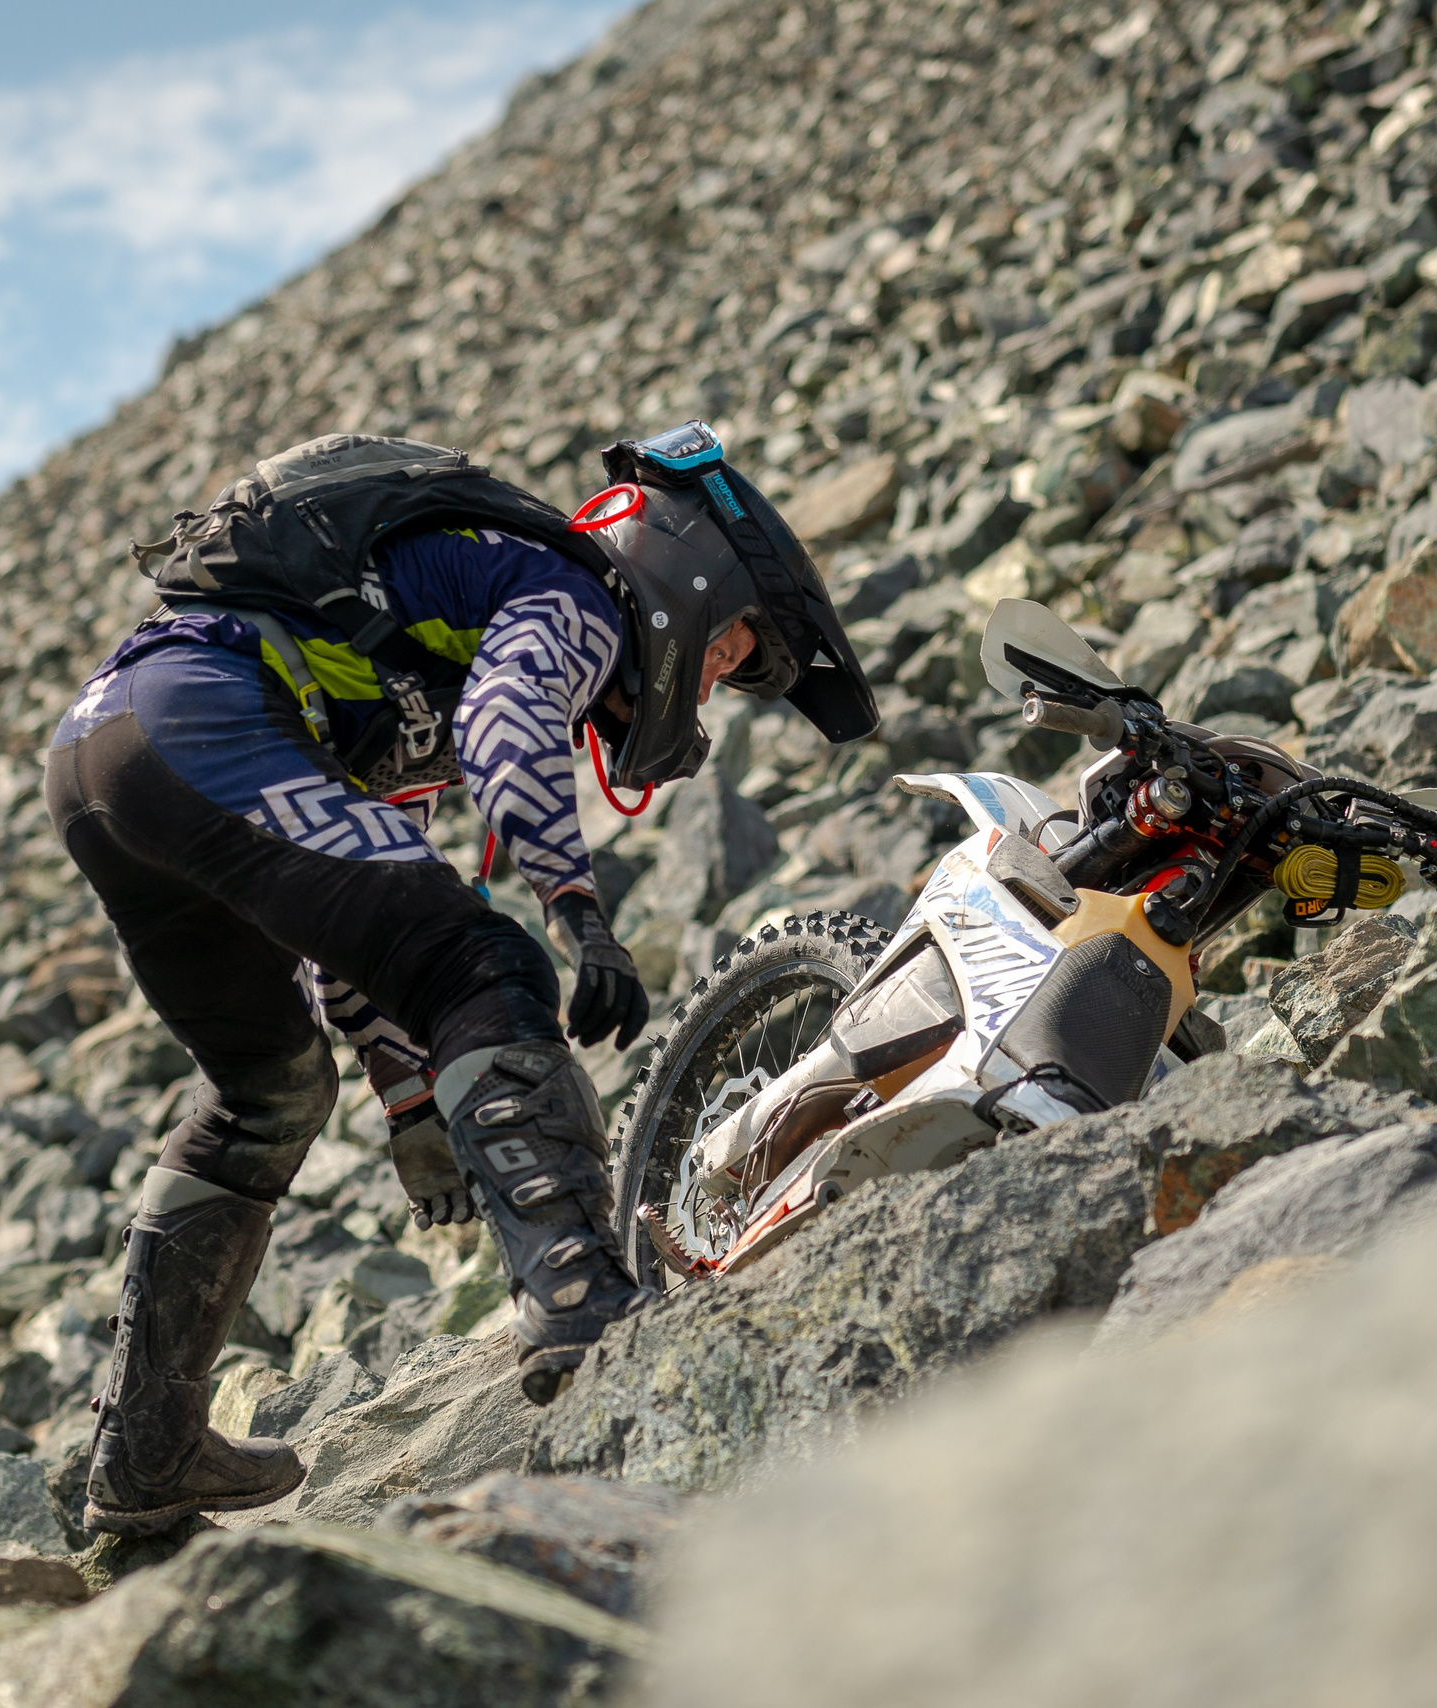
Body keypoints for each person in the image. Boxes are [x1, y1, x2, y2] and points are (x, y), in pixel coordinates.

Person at [43, 421, 877, 1535]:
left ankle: (143, 1456)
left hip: (103, 747)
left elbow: (363, 909)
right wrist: (579, 921)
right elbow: (506, 723)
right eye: (732, 649)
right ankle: (580, 1299)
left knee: (267, 1091)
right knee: (481, 956)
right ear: (685, 582)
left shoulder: (415, 644)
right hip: (199, 716)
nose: (716, 686)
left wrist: (407, 1098)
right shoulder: (578, 593)